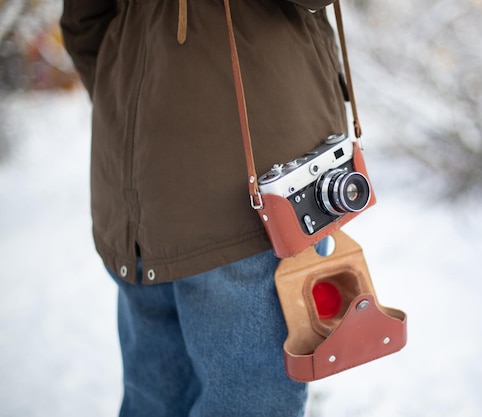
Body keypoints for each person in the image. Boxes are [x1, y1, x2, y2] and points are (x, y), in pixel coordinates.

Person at [60, 0, 348, 415]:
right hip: (254, 199)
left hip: (140, 188)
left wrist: (132, 97)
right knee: (246, 402)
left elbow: (84, 23)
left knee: (154, 399)